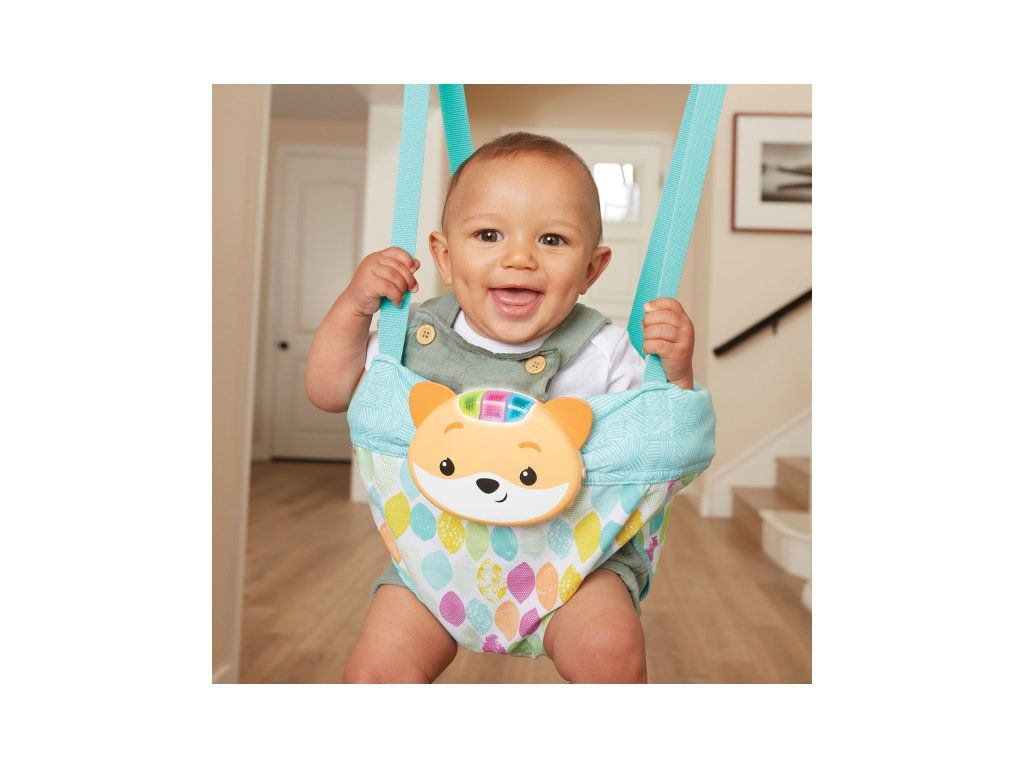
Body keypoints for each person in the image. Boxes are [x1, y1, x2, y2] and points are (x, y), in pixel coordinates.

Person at [307, 132, 695, 683]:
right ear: (444, 256)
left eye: (553, 239)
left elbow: (664, 442)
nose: (519, 258)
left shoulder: (604, 350)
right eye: (489, 235)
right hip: (434, 568)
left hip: (574, 569)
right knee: (374, 673)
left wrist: (675, 373)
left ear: (592, 268)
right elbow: (328, 390)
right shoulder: (411, 336)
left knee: (609, 651)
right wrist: (354, 306)